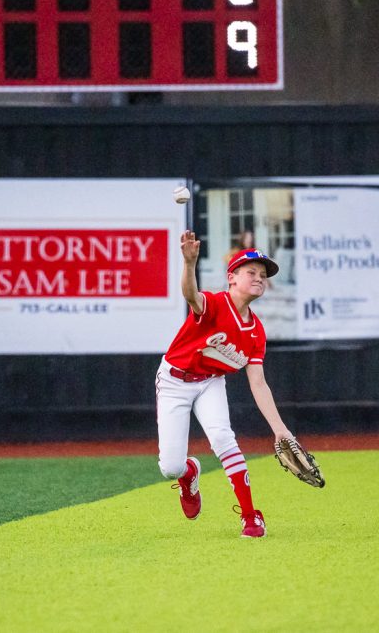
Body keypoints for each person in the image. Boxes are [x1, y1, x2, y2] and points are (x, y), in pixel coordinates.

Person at [155, 229, 295, 538]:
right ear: (232, 277)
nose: (258, 278)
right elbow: (191, 295)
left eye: (262, 274)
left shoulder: (256, 332)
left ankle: (250, 516)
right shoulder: (216, 304)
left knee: (223, 438)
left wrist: (279, 428)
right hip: (174, 380)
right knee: (170, 468)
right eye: (251, 272)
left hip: (210, 382)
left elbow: (259, 384)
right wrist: (189, 263)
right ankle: (188, 474)